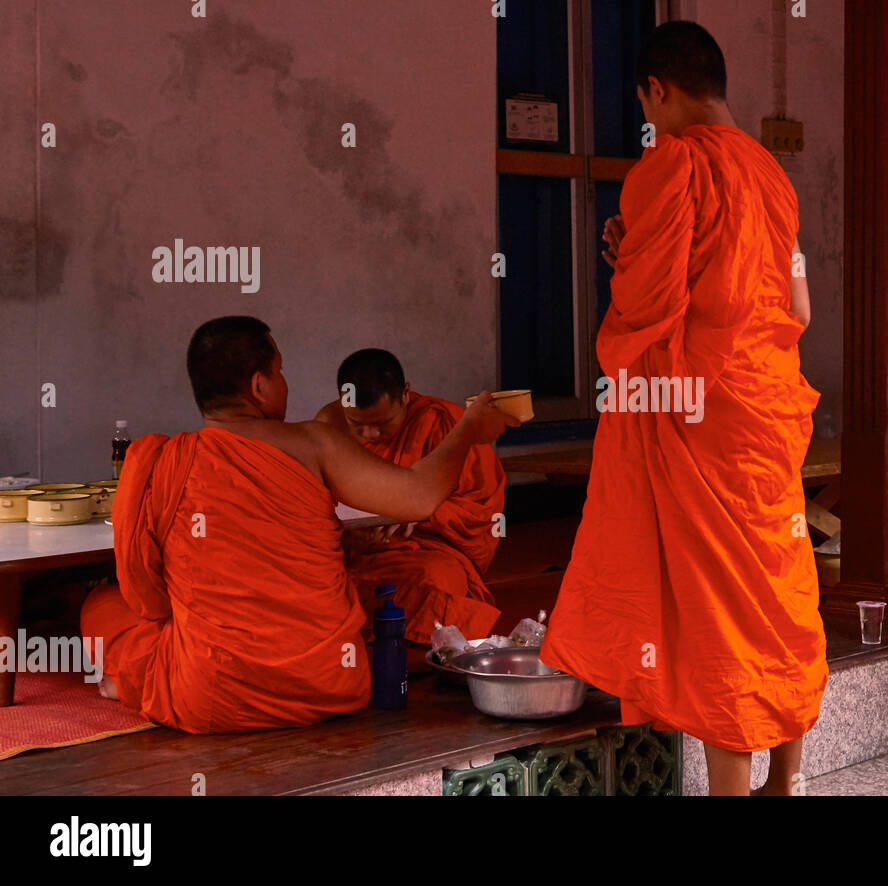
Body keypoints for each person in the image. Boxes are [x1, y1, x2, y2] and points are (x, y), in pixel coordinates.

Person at [540, 21, 825, 796]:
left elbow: (643, 310)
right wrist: (642, 254)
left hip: (700, 415)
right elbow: (796, 306)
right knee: (774, 589)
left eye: (645, 105)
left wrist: (631, 264)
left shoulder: (672, 164)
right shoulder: (774, 177)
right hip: (765, 413)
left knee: (718, 610)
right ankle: (784, 782)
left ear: (657, 91)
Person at [81, 317, 514, 733]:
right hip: (329, 684)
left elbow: (147, 597)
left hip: (208, 695)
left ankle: (137, 683)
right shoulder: (314, 442)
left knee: (100, 606)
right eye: (280, 371)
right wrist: (469, 429)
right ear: (259, 385)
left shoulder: (161, 462)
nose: (284, 383)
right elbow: (419, 496)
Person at [314, 349, 506, 643]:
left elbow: (478, 510)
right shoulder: (330, 424)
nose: (369, 434)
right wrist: (349, 534)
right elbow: (312, 497)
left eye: (381, 423)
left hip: (424, 548)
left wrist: (419, 515)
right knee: (303, 576)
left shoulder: (444, 423)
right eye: (357, 423)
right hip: (349, 549)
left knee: (435, 579)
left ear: (405, 394)